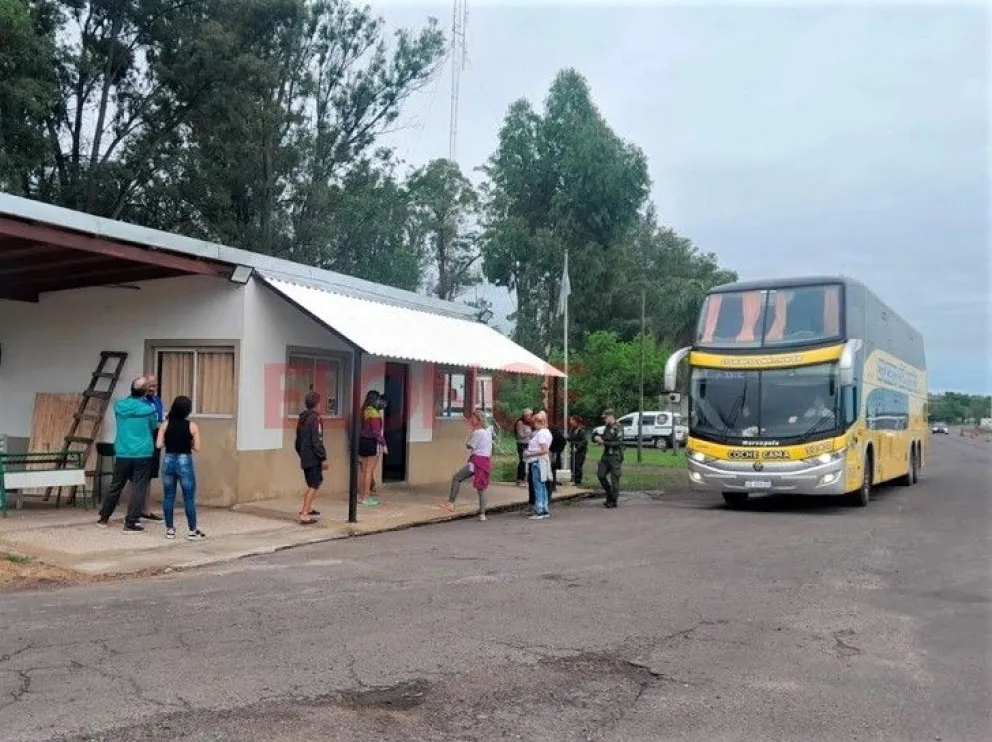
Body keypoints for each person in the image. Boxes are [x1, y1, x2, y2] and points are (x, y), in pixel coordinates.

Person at [96, 376, 160, 533]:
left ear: (131, 390)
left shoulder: (119, 406)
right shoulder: (149, 410)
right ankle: (130, 522)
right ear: (145, 392)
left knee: (116, 485)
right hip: (143, 452)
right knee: (139, 487)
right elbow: (153, 427)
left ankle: (104, 517)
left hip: (123, 451)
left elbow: (127, 401)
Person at [155, 395, 205, 540]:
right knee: (188, 497)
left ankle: (170, 529)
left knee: (169, 496)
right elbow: (197, 447)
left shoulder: (165, 425)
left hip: (169, 459)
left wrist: (168, 441)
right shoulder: (192, 426)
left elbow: (158, 445)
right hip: (185, 461)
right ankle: (192, 530)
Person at [439, 410, 493, 521]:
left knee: (457, 478)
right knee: (481, 487)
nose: (471, 420)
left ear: (478, 420)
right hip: (485, 461)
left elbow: (470, 446)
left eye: (473, 418)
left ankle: (451, 503)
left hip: (476, 461)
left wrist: (469, 439)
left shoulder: (477, 432)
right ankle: (482, 514)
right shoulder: (487, 431)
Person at [295, 391, 327, 525]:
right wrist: (323, 457)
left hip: (305, 456)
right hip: (313, 457)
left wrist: (301, 453)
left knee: (313, 482)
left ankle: (308, 507)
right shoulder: (315, 419)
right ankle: (304, 513)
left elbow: (297, 440)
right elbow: (317, 440)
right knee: (314, 484)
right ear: (317, 404)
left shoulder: (302, 418)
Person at [139, 373, 164, 522]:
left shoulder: (157, 400)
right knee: (138, 476)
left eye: (154, 385)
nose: (152, 388)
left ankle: (146, 510)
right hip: (143, 440)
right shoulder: (139, 402)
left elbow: (161, 417)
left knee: (149, 476)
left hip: (155, 440)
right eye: (149, 386)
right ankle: (135, 510)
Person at [522, 410, 553, 520]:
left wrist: (529, 453)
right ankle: (544, 508)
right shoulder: (547, 432)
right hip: (542, 461)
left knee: (538, 486)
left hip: (537, 461)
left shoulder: (540, 434)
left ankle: (539, 510)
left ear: (539, 422)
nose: (534, 425)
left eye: (535, 423)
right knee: (543, 485)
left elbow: (544, 449)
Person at [359, 391, 386, 507]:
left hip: (363, 441)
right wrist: (383, 443)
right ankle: (366, 497)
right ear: (375, 400)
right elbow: (375, 432)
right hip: (371, 443)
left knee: (364, 471)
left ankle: (361, 496)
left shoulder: (364, 410)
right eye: (379, 399)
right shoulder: (374, 413)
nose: (380, 402)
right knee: (369, 471)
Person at [593, 409, 624, 508]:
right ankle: (609, 493)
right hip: (606, 456)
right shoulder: (607, 427)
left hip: (615, 456)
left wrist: (603, 442)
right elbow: (605, 437)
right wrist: (597, 438)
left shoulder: (618, 427)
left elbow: (618, 443)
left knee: (615, 479)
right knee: (600, 475)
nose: (604, 420)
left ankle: (613, 500)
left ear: (611, 416)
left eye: (605, 418)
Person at [514, 409, 534, 487]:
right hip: (522, 444)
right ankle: (520, 479)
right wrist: (530, 434)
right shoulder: (520, 423)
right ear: (524, 416)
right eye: (527, 416)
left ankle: (528, 479)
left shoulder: (530, 423)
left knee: (529, 461)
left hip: (529, 444)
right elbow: (520, 435)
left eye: (530, 416)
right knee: (523, 461)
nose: (529, 417)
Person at [567, 415, 589, 485]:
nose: (570, 421)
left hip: (580, 452)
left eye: (571, 420)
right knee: (572, 464)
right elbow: (571, 438)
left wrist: (577, 448)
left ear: (575, 421)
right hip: (573, 450)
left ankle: (578, 481)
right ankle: (572, 479)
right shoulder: (572, 429)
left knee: (578, 465)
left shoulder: (581, 430)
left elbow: (584, 441)